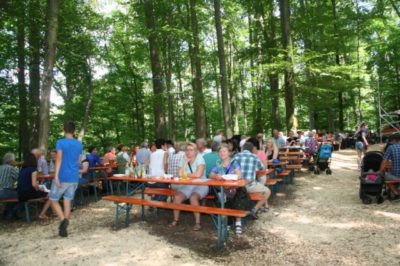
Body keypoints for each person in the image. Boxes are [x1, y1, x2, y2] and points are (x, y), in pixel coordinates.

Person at [50, 121, 83, 237]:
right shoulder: (79, 144)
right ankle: (66, 223)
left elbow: (58, 159)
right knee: (67, 200)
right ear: (74, 130)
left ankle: (63, 220)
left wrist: (56, 176)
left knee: (53, 199)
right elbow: (79, 162)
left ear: (64, 129)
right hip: (74, 177)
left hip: (63, 176)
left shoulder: (60, 142)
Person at [169, 142, 208, 231]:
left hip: (201, 184)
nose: (188, 152)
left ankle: (198, 223)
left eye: (191, 150)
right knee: (177, 197)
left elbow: (198, 175)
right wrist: (185, 163)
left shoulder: (200, 159)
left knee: (193, 198)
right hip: (188, 185)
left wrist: (186, 174)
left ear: (196, 151)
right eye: (187, 150)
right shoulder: (183, 159)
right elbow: (179, 174)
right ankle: (176, 220)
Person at [209, 144, 245, 235]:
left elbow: (239, 175)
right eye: (220, 151)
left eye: (224, 151)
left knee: (236, 196)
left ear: (229, 153)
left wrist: (231, 177)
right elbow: (210, 175)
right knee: (221, 196)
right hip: (222, 188)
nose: (222, 153)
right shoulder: (217, 162)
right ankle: (227, 222)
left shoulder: (234, 162)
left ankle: (238, 222)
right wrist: (216, 176)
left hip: (234, 187)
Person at [234, 142, 271, 218]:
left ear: (243, 148)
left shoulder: (236, 156)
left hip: (238, 186)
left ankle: (251, 207)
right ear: (252, 149)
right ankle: (254, 209)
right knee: (267, 191)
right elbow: (262, 168)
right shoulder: (254, 157)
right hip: (250, 186)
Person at [17, 153, 51, 219]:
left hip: (20, 194)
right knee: (52, 195)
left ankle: (53, 211)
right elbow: (34, 184)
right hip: (28, 193)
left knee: (43, 194)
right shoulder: (33, 169)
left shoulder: (22, 170)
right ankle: (42, 214)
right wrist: (40, 188)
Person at [380, 133, 400, 199]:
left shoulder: (391, 147)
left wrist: (380, 171)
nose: (390, 142)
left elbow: (384, 161)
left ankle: (396, 193)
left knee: (383, 175)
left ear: (394, 140)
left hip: (396, 176)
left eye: (391, 141)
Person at [0, 153, 20, 219]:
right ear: (11, 161)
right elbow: (19, 177)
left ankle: (7, 213)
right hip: (5, 192)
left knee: (13, 194)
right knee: (23, 195)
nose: (15, 161)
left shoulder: (1, 167)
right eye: (14, 160)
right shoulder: (11, 168)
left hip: (1, 191)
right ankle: (11, 213)